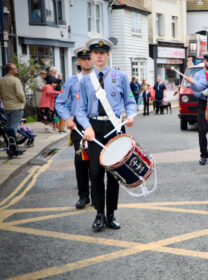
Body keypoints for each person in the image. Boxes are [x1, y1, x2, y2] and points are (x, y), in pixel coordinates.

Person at [75, 37, 136, 231]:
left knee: (114, 173)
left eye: (102, 53)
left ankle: (111, 213)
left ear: (108, 55)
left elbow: (130, 101)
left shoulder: (120, 76)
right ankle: (99, 214)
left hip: (116, 126)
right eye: (95, 53)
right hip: (94, 129)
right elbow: (79, 109)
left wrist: (131, 115)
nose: (99, 56)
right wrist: (87, 127)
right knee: (95, 172)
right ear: (91, 56)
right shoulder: (85, 81)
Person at [56, 46, 93, 209]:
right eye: (83, 58)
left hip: (97, 124)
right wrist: (67, 119)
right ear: (78, 61)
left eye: (88, 58)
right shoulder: (72, 81)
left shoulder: (100, 78)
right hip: (78, 125)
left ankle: (98, 195)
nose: (86, 60)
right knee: (81, 161)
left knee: (98, 162)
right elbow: (59, 102)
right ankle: (84, 196)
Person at [186, 52, 208, 165]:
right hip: (202, 104)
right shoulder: (198, 75)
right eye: (207, 61)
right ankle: (203, 155)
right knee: (202, 131)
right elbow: (195, 92)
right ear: (204, 61)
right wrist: (202, 93)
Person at [0, 63, 26, 154]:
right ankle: (14, 148)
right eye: (15, 68)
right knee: (13, 127)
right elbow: (20, 94)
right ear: (10, 70)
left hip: (6, 107)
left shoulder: (1, 80)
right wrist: (23, 101)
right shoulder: (15, 80)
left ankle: (9, 145)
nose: (16, 69)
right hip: (16, 107)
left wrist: (5, 101)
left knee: (9, 126)